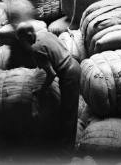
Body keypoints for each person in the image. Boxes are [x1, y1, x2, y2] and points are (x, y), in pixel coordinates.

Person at [15, 22, 81, 151]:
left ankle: (66, 152)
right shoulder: (44, 34)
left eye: (21, 40)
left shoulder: (35, 48)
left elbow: (51, 74)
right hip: (73, 64)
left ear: (25, 38)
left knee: (68, 113)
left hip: (68, 74)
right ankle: (66, 145)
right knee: (69, 110)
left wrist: (41, 89)